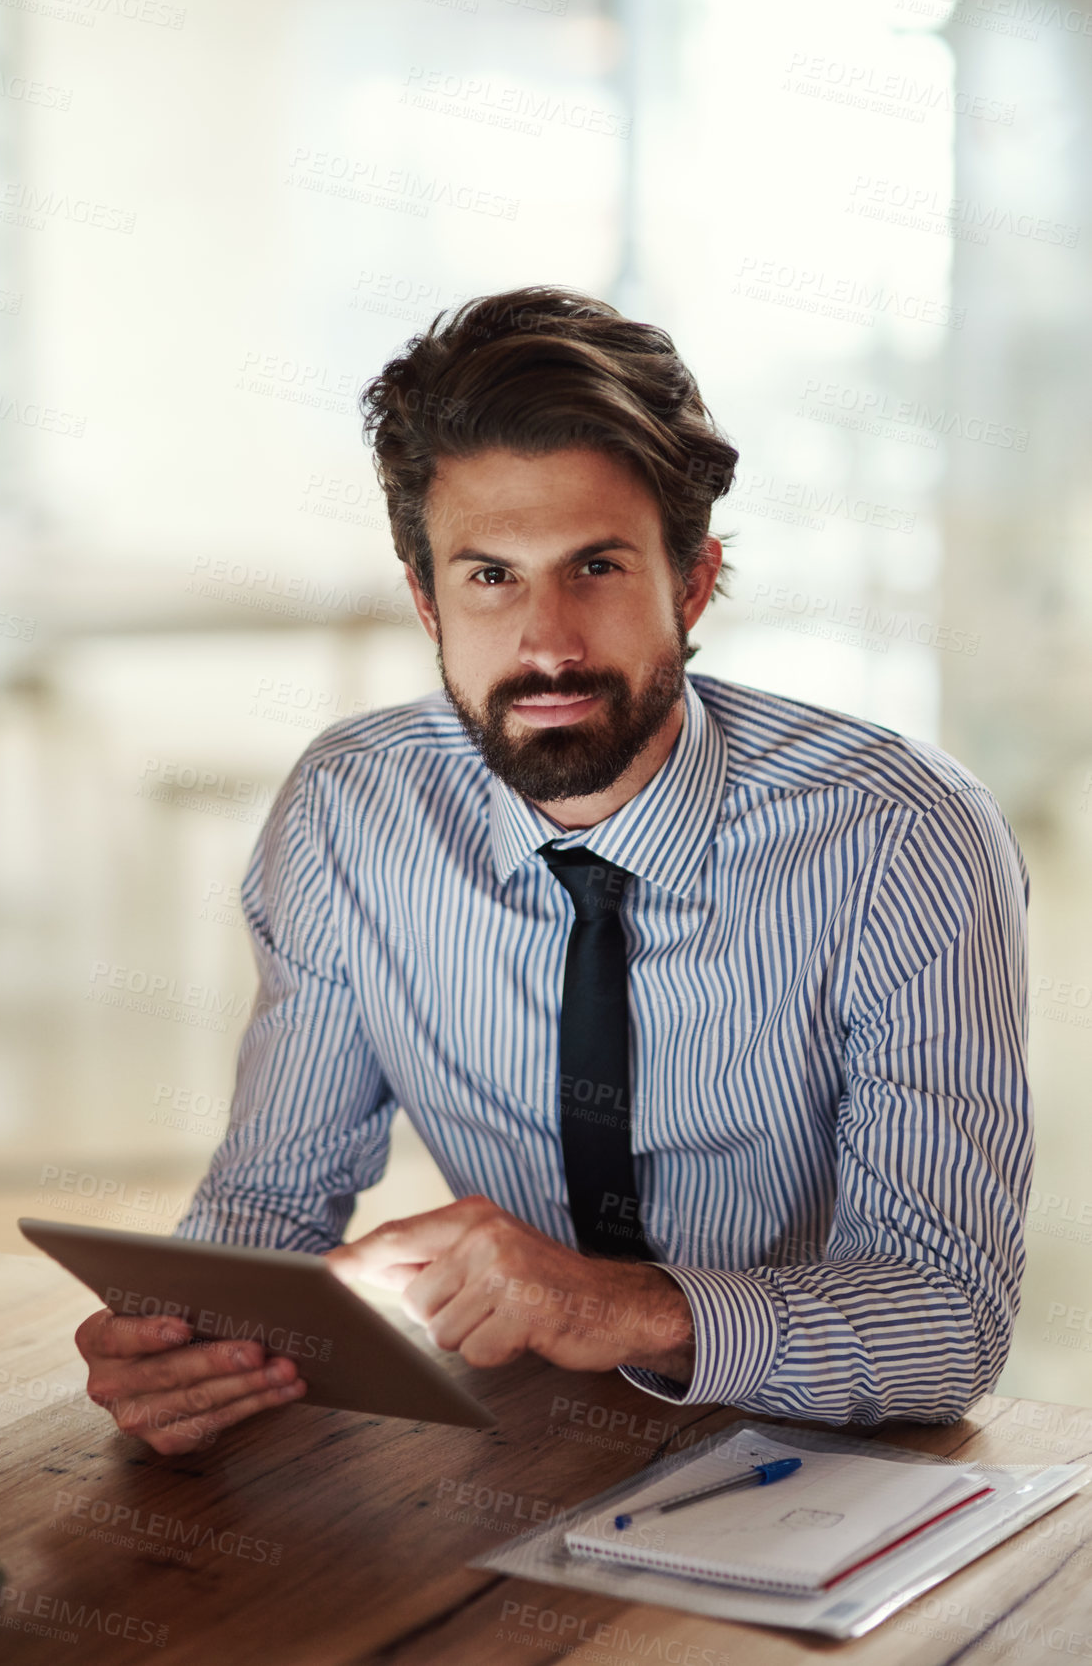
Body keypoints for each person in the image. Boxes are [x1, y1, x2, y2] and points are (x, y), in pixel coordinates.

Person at [76, 287, 1032, 1455]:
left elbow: (948, 1321)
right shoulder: (348, 810)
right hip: (507, 1444)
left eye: (597, 567)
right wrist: (190, 1336)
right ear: (427, 600)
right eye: (490, 577)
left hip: (815, 1461)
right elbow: (272, 1204)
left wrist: (620, 1309)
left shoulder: (902, 835)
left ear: (692, 584)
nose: (548, 643)